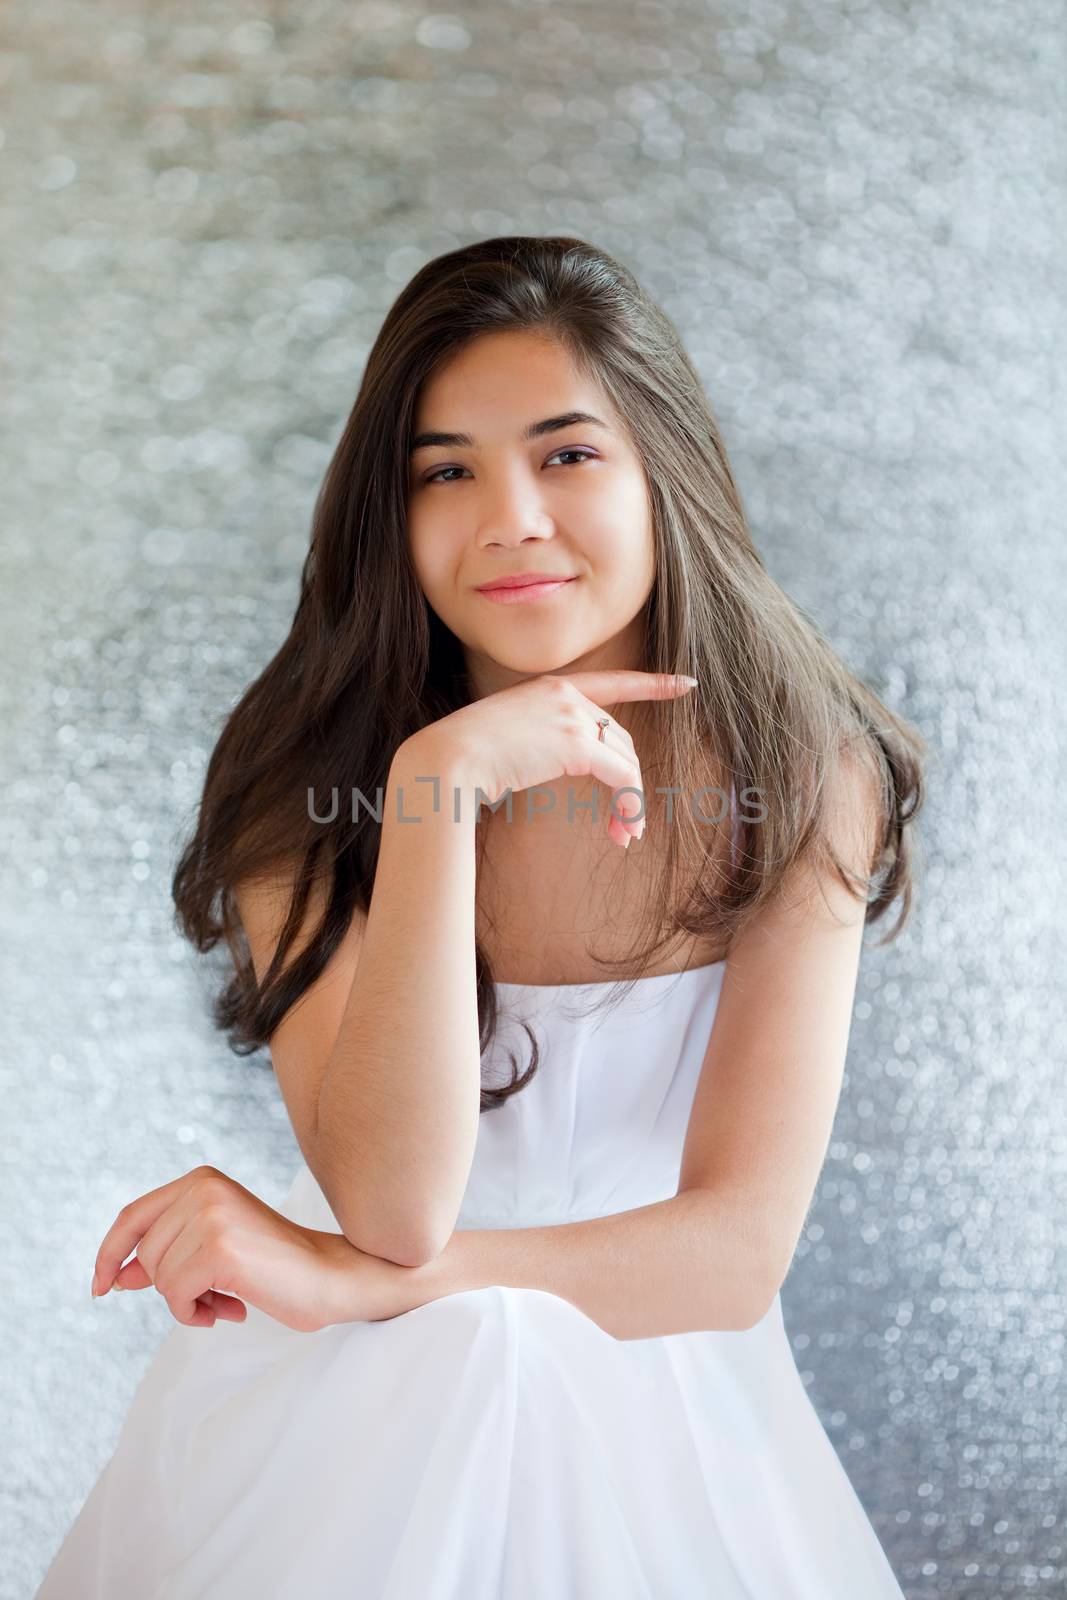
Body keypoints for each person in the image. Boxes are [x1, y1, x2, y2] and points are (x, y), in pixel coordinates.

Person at [36, 235, 927, 1597]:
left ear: (663, 476)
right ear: (386, 518)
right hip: (356, 1405)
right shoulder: (307, 789)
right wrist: (436, 791)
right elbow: (393, 1205)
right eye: (445, 472)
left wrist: (357, 1285)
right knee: (462, 1365)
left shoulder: (799, 769)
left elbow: (734, 1258)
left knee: (484, 1350)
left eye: (567, 455)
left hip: (666, 1397)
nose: (509, 515)